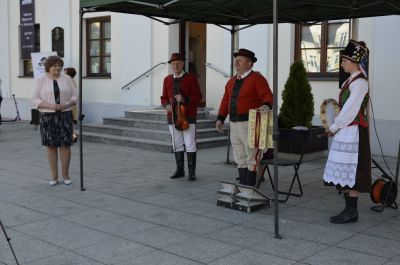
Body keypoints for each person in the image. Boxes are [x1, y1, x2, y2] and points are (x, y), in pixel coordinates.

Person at [323, 39, 371, 224]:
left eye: (344, 61)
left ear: (353, 62)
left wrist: (334, 127)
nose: (341, 64)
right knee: (346, 168)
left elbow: (350, 109)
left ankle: (352, 212)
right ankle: (349, 209)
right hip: (347, 129)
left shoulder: (359, 83)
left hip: (354, 131)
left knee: (354, 169)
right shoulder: (352, 80)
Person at [216, 48, 273, 187]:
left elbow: (267, 96)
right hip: (234, 124)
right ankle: (243, 187)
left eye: (240, 60)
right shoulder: (231, 81)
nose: (236, 63)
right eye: (236, 60)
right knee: (239, 156)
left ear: (249, 63)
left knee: (252, 157)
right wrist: (220, 118)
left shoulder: (257, 79)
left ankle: (250, 189)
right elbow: (225, 101)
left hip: (251, 124)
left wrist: (266, 106)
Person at [32, 56, 78, 186]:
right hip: (48, 116)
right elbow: (34, 99)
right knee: (51, 146)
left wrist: (66, 104)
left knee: (65, 145)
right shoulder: (40, 80)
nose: (57, 68)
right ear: (48, 67)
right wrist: (49, 105)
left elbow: (75, 96)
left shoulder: (67, 78)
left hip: (65, 114)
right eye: (55, 65)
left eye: (59, 65)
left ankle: (66, 174)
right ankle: (54, 175)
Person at [160, 53, 203, 181]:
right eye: (173, 64)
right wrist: (166, 105)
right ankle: (180, 170)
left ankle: (191, 171)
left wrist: (185, 99)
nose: (176, 65)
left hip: (188, 116)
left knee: (190, 143)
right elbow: (163, 97)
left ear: (183, 64)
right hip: (172, 117)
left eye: (178, 63)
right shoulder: (167, 79)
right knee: (176, 143)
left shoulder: (191, 78)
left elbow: (198, 96)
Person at [64, 67, 78, 142]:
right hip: (71, 104)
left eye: (65, 72)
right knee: (72, 123)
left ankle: (73, 137)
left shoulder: (69, 81)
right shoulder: (71, 80)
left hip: (69, 104)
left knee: (71, 122)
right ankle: (73, 136)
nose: (64, 73)